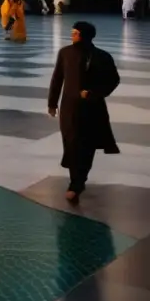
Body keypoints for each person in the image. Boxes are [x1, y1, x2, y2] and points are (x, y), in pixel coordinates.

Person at [48, 21, 120, 203]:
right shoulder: (65, 53)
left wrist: (94, 93)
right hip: (69, 109)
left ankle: (77, 183)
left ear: (84, 35)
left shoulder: (101, 57)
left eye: (75, 33)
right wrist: (52, 103)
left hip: (92, 109)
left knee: (86, 146)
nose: (72, 36)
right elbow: (57, 78)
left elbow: (113, 80)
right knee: (71, 143)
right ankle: (77, 179)